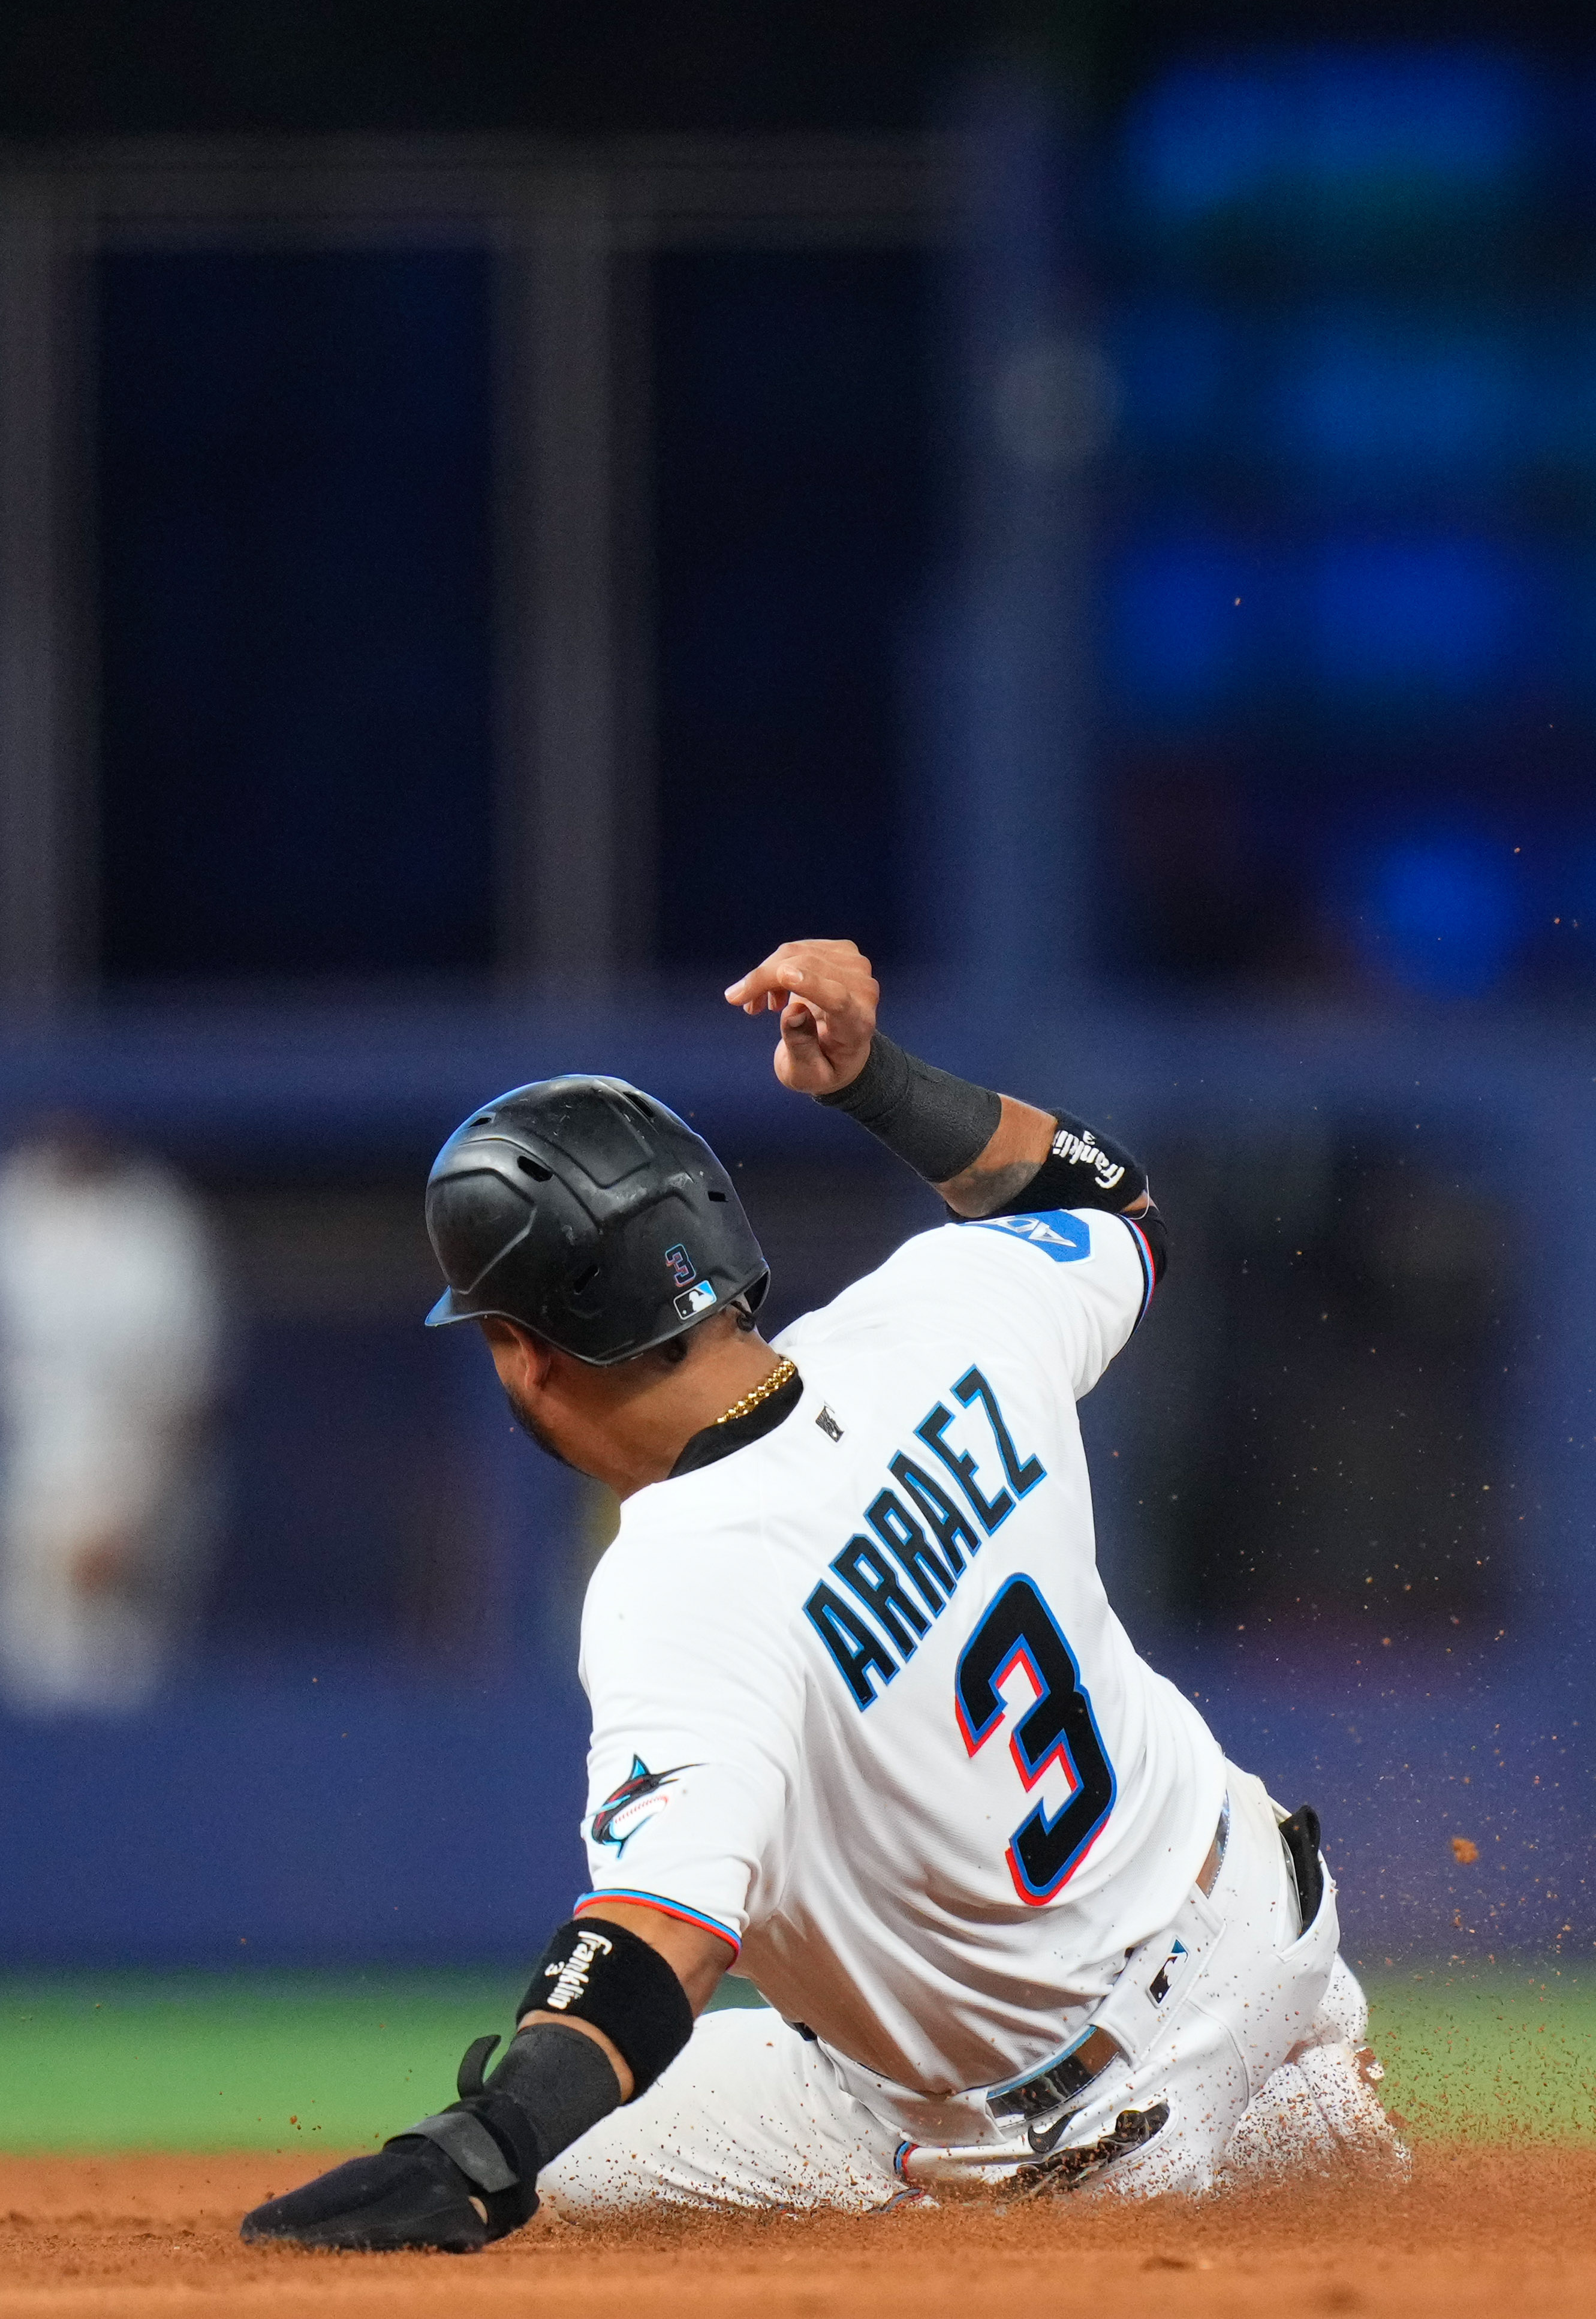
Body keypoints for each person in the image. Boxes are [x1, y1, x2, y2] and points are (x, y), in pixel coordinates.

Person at [244, 939, 1399, 2251]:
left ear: (524, 1355)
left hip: (1081, 2134)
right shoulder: (944, 1307)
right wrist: (874, 1080)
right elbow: (1115, 1202)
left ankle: (1193, 2161)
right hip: (1269, 1919)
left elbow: (659, 1936)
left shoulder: (677, 1582)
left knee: (572, 2168)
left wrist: (486, 2149)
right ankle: (1307, 2110)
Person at [0, 1117, 221, 1714]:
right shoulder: (14, 1201)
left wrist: (130, 1518)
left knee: (107, 1699)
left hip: (125, 1514)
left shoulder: (153, 1221)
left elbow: (186, 1394)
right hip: (24, 1501)